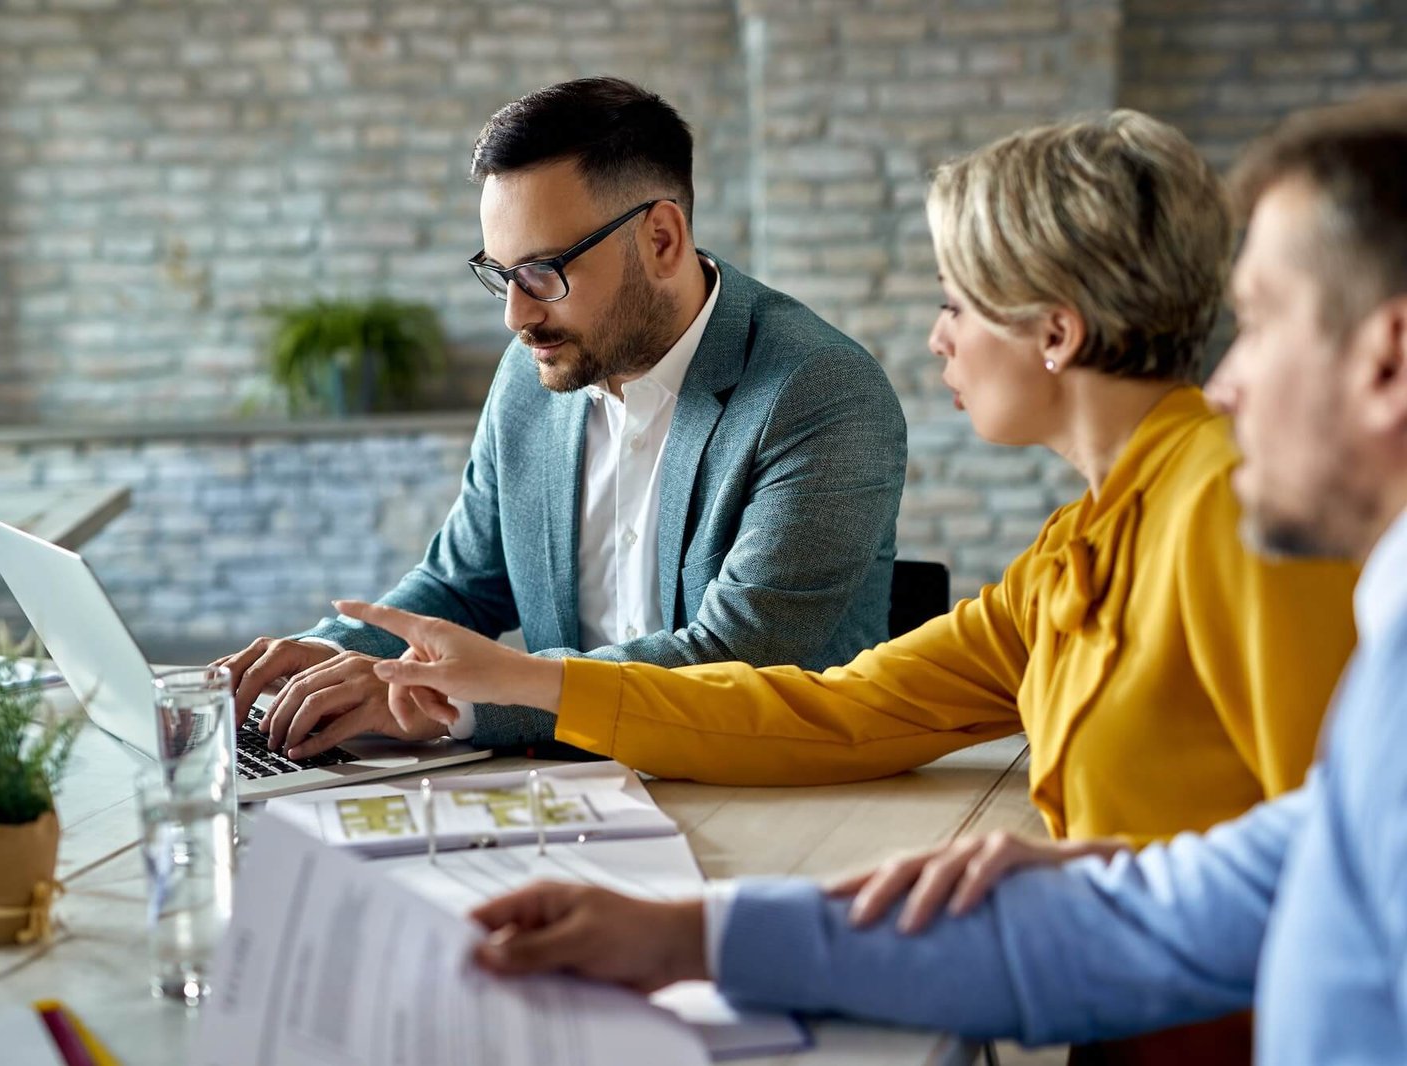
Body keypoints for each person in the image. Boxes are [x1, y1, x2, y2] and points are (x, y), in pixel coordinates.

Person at [375, 92, 1407, 1065]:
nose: (936, 335)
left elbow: (1335, 895)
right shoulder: (1083, 542)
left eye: (959, 301)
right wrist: (528, 683)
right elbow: (847, 709)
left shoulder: (1227, 505)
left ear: (1055, 332)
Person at [215, 76, 906, 756]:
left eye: (544, 270)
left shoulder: (819, 391)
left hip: (770, 795)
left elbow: (733, 664)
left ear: (661, 239)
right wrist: (331, 653)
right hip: (571, 794)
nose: (516, 316)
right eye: (501, 273)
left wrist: (449, 703)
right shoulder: (532, 373)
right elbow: (463, 583)